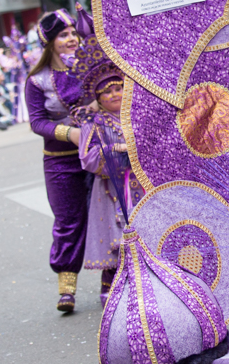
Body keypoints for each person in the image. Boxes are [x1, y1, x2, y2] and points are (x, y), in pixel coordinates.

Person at [26, 9, 90, 313]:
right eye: (64, 35)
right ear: (50, 42)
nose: (72, 39)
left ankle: (111, 281)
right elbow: (37, 123)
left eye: (74, 33)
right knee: (68, 221)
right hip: (61, 161)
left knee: (111, 216)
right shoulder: (37, 81)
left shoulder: (88, 67)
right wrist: (70, 134)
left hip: (98, 156)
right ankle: (67, 287)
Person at [76, 49, 145, 306]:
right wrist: (116, 152)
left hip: (140, 186)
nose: (114, 95)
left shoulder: (136, 115)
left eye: (118, 88)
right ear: (98, 98)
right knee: (116, 239)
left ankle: (147, 283)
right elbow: (88, 157)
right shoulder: (93, 123)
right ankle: (111, 289)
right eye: (107, 92)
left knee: (144, 232)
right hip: (110, 190)